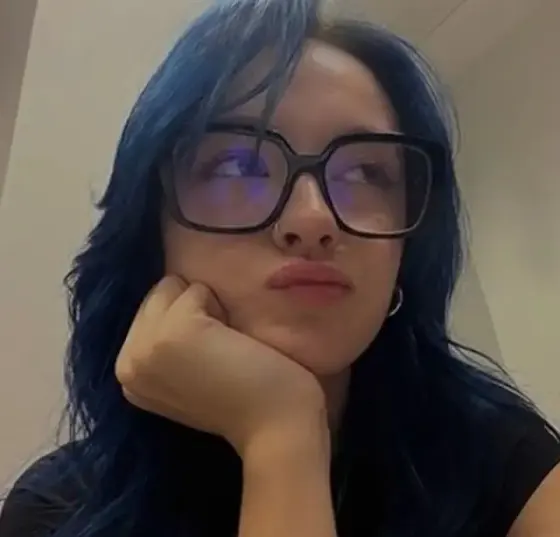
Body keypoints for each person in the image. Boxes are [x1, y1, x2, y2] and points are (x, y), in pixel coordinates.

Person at [1, 0, 559, 536]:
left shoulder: (508, 470)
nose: (313, 218)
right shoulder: (55, 512)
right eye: (237, 165)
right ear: (152, 225)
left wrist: (280, 438)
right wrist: (282, 430)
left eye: (366, 172)